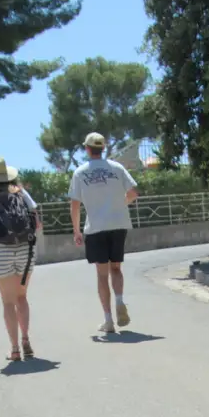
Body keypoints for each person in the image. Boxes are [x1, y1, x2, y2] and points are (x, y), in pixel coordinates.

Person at [68, 132, 139, 334]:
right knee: (116, 268)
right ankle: (120, 301)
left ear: (87, 149)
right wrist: (120, 204)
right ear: (103, 148)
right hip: (119, 224)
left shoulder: (80, 173)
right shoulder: (117, 168)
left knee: (102, 274)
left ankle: (108, 320)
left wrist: (76, 230)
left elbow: (74, 204)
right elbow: (134, 192)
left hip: (96, 227)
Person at [0, 156, 42, 362]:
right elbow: (37, 223)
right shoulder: (21, 193)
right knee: (22, 297)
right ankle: (26, 340)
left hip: (0, 251)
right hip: (25, 249)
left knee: (7, 301)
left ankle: (14, 349)